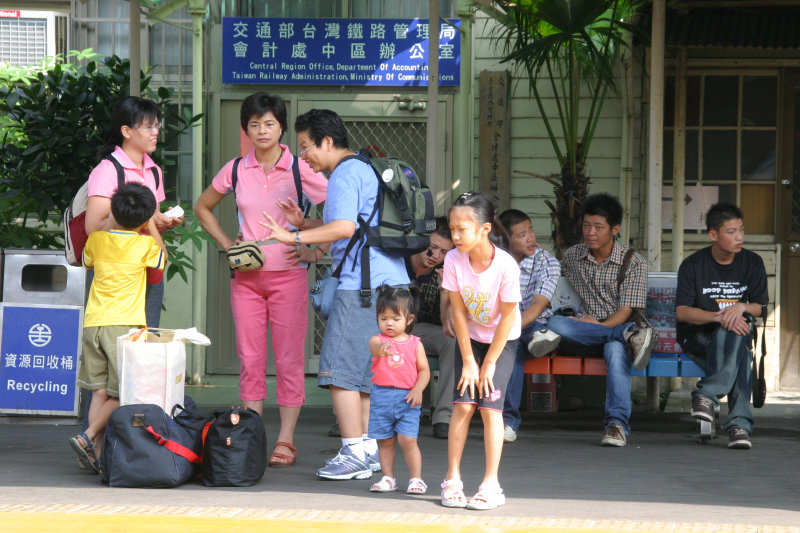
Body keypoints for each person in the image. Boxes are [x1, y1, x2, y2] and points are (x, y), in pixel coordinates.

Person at [260, 109, 409, 480]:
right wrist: (305, 223)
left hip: (361, 286)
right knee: (363, 373)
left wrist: (290, 237)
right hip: (388, 282)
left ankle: (352, 452)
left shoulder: (343, 173)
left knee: (339, 371)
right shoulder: (365, 166)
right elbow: (356, 225)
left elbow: (342, 228)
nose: (304, 156)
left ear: (328, 142)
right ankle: (368, 450)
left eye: (307, 147)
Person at [194, 92, 328, 467]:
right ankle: (252, 434)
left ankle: (286, 440)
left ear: (282, 126)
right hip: (246, 279)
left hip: (290, 278)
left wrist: (309, 245)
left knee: (287, 360)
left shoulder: (301, 169)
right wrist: (227, 244)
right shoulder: (236, 168)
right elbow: (201, 207)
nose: (262, 130)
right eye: (254, 124)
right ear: (246, 128)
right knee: (250, 359)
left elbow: (340, 213)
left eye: (269, 123)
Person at [530, 193, 656, 447]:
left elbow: (626, 311)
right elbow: (552, 268)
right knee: (555, 324)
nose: (590, 233)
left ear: (615, 229)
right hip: (585, 334)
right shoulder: (574, 256)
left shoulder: (633, 262)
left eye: (599, 227)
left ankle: (616, 425)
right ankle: (630, 337)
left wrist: (602, 327)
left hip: (612, 327)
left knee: (614, 350)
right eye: (586, 225)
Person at [69, 183, 167, 473]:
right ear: (146, 218)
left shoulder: (96, 240)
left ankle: (97, 455)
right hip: (124, 326)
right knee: (122, 393)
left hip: (93, 324)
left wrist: (111, 223)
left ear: (112, 210)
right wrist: (152, 227)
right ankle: (87, 436)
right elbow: (161, 264)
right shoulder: (146, 244)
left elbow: (87, 262)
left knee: (99, 391)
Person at [440, 192, 521, 511]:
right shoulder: (453, 260)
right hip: (469, 338)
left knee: (490, 408)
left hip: (502, 340)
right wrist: (470, 361)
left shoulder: (506, 265)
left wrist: (488, 363)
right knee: (463, 405)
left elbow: (509, 317)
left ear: (485, 229)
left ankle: (491, 484)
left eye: (462, 229)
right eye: (452, 228)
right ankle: (452, 479)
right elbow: (458, 313)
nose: (455, 236)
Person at [84, 95, 182, 328]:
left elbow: (148, 223)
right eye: (149, 126)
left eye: (157, 125)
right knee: (112, 340)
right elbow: (93, 227)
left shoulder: (154, 170)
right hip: (114, 272)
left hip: (146, 264)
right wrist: (145, 218)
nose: (155, 131)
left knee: (146, 338)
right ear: (127, 131)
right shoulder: (108, 170)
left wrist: (163, 221)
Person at [676, 203, 767, 450]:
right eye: (731, 231)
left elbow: (760, 307)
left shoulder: (752, 263)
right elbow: (683, 312)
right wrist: (719, 317)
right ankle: (739, 425)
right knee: (739, 346)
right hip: (698, 338)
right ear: (713, 235)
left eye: (741, 230)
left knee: (736, 333)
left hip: (734, 335)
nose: (739, 237)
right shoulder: (693, 265)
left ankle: (706, 396)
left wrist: (741, 308)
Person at [497, 209, 560, 443]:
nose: (531, 238)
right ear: (507, 240)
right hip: (499, 323)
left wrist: (508, 331)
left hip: (530, 320)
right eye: (522, 234)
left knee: (513, 344)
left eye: (531, 230)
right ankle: (537, 337)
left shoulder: (548, 262)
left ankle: (508, 422)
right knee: (515, 343)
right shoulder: (495, 261)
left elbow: (537, 305)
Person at [367, 286, 430, 495]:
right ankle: (388, 478)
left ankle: (416, 479)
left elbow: (424, 371)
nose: (389, 323)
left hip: (407, 399)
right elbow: (374, 346)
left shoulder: (415, 344)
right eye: (383, 318)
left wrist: (419, 389)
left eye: (395, 318)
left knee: (408, 439)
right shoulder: (378, 340)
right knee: (385, 441)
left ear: (409, 319)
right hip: (381, 397)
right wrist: (381, 349)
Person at [403, 217, 456, 439]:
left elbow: (448, 323)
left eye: (444, 252)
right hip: (395, 328)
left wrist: (445, 291)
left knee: (453, 341)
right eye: (433, 248)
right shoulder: (401, 261)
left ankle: (443, 417)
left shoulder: (448, 271)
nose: (436, 256)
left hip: (428, 330)